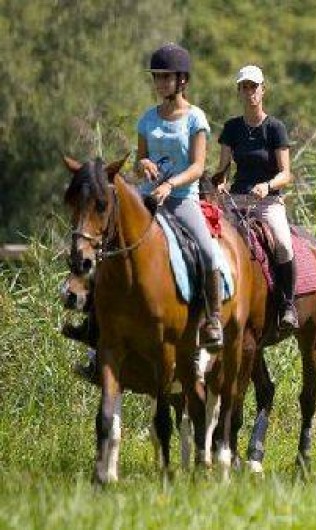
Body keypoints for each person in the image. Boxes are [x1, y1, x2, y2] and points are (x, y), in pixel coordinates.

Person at [69, 43, 220, 380]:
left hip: (182, 199)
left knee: (209, 253)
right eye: (157, 77)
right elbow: (139, 163)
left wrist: (171, 184)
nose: (160, 83)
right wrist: (145, 164)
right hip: (146, 197)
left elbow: (198, 166)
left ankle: (212, 321)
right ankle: (91, 322)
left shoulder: (196, 118)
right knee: (104, 244)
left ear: (182, 80)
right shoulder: (147, 119)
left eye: (166, 77)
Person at [214, 65, 298, 330]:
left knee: (283, 244)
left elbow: (286, 174)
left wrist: (268, 185)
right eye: (245, 87)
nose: (250, 92)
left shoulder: (275, 128)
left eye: (254, 86)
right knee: (214, 242)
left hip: (267, 201)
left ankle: (287, 305)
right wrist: (221, 184)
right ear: (239, 91)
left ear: (263, 90)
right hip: (236, 199)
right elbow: (223, 169)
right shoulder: (231, 128)